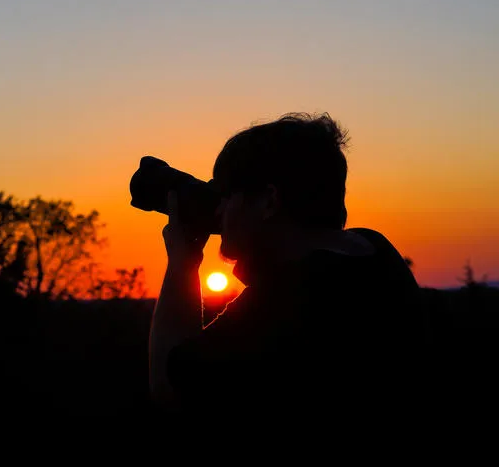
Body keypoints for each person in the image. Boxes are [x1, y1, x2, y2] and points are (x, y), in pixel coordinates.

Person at [148, 112, 425, 419]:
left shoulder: (286, 300)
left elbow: (171, 389)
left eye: (226, 194)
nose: (219, 209)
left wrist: (182, 265)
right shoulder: (375, 251)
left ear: (268, 201)